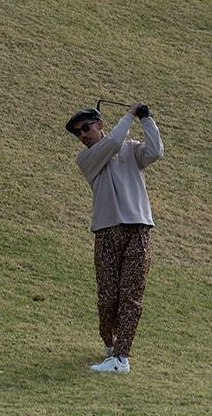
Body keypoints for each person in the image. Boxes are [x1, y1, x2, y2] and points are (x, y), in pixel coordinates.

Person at [65, 102, 164, 373]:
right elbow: (113, 142)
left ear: (99, 124)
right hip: (106, 232)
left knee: (131, 296)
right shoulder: (86, 159)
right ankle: (110, 345)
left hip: (138, 229)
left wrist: (146, 119)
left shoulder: (130, 148)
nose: (82, 135)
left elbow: (156, 151)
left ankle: (121, 359)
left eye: (86, 128)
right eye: (78, 133)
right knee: (108, 297)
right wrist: (129, 115)